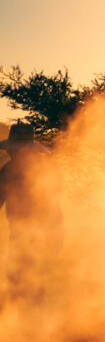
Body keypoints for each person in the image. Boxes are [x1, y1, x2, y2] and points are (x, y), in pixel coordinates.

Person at [0, 123, 62, 300]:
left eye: (16, 149)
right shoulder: (10, 169)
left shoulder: (13, 170)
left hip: (41, 231)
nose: (11, 152)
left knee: (29, 276)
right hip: (25, 231)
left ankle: (29, 314)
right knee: (23, 277)